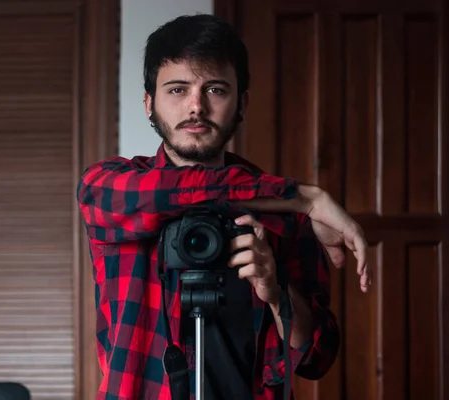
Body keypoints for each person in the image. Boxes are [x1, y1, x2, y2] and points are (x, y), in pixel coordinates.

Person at [77, 14, 371, 400]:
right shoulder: (110, 186)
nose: (196, 107)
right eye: (177, 90)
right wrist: (305, 197)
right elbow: (169, 191)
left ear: (241, 101)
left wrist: (278, 291)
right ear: (149, 103)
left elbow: (315, 359)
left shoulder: (282, 213)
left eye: (215, 89)